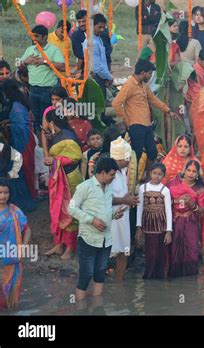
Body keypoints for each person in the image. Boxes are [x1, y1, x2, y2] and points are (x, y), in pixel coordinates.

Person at [68, 157, 122, 300]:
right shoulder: (85, 187)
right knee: (86, 274)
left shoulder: (108, 188)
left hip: (106, 239)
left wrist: (114, 214)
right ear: (102, 172)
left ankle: (97, 307)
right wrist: (92, 220)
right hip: (88, 238)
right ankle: (80, 308)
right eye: (112, 175)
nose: (113, 178)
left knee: (100, 272)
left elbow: (105, 212)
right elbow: (71, 208)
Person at [112, 60, 176, 165]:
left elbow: (153, 99)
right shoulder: (129, 85)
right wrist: (126, 120)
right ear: (142, 73)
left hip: (146, 124)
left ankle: (149, 179)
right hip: (136, 125)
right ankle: (133, 179)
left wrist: (168, 111)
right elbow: (116, 103)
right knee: (136, 154)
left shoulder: (143, 85)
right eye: (150, 73)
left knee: (152, 153)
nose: (150, 76)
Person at [44, 110, 83, 259]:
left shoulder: (68, 138)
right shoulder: (58, 135)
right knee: (59, 210)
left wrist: (54, 160)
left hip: (70, 179)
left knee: (69, 211)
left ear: (52, 123)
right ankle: (59, 244)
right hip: (59, 177)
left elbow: (75, 157)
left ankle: (70, 247)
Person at [20, 25, 65, 133]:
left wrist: (45, 62)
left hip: (48, 90)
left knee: (48, 117)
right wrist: (26, 61)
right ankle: (40, 143)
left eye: (37, 36)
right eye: (33, 36)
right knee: (36, 117)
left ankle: (51, 139)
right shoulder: (30, 50)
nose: (34, 39)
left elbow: (63, 67)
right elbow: (18, 65)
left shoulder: (53, 50)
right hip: (33, 90)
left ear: (45, 37)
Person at [2, 80, 37, 211]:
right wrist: (10, 122)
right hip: (27, 140)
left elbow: (20, 127)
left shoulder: (16, 107)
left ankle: (25, 202)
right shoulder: (20, 103)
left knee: (20, 170)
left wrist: (11, 125)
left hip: (22, 143)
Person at [108, 137, 139, 282]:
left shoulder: (123, 170)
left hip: (124, 218)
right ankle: (99, 284)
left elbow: (122, 193)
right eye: (127, 159)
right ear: (119, 159)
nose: (129, 161)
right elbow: (104, 198)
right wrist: (124, 200)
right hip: (110, 217)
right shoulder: (107, 174)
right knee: (108, 251)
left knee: (124, 250)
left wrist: (130, 198)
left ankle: (118, 284)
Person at [168, 160, 204, 277]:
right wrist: (176, 201)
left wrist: (192, 205)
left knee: (192, 249)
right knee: (174, 248)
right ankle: (174, 277)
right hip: (174, 221)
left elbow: (201, 211)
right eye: (188, 170)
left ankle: (190, 281)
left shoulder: (200, 189)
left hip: (191, 222)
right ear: (184, 171)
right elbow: (164, 202)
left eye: (194, 171)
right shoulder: (172, 183)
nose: (190, 173)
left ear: (197, 174)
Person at [136, 162, 173, 279]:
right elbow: (139, 208)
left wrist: (168, 231)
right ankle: (148, 275)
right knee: (149, 251)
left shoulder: (165, 190)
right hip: (147, 223)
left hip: (160, 224)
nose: (156, 176)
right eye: (154, 173)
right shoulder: (143, 188)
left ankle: (158, 275)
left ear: (164, 176)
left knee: (159, 251)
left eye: (160, 174)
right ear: (150, 173)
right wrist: (138, 227)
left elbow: (168, 211)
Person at [0, 178, 32, 310]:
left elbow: (27, 230)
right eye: (0, 192)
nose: (2, 196)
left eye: (6, 192)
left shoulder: (15, 211)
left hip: (13, 258)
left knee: (11, 295)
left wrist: (22, 248)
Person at [83, 14, 113, 101]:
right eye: (99, 27)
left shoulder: (98, 39)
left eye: (104, 27)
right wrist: (109, 77)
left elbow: (102, 62)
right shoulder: (93, 42)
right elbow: (97, 67)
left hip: (100, 77)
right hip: (96, 78)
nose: (102, 30)